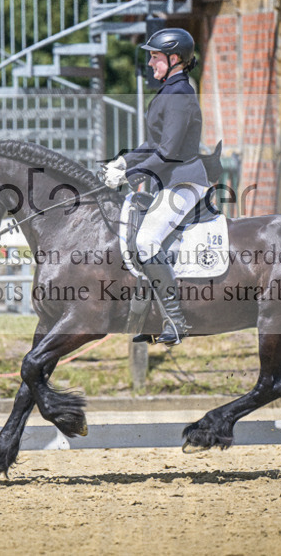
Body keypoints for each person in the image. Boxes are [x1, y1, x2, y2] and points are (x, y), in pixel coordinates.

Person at [102, 27, 210, 345]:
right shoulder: (169, 91)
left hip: (185, 181)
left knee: (147, 240)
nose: (150, 63)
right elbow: (153, 144)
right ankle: (148, 318)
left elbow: (169, 151)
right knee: (134, 233)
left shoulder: (180, 95)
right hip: (170, 181)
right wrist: (123, 162)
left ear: (174, 58)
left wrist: (130, 175)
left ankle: (175, 321)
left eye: (155, 57)